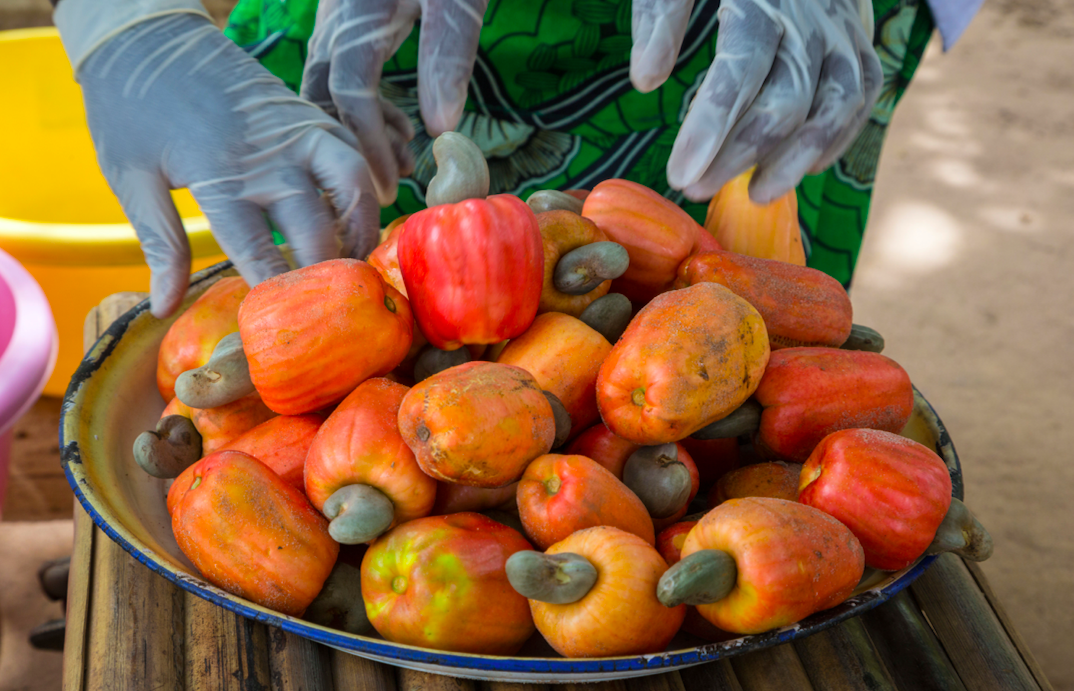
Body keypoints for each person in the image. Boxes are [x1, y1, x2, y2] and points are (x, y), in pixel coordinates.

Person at [51, 0, 980, 318]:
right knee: (311, 329)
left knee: (730, 360)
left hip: (748, 31)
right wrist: (122, 21)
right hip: (369, 23)